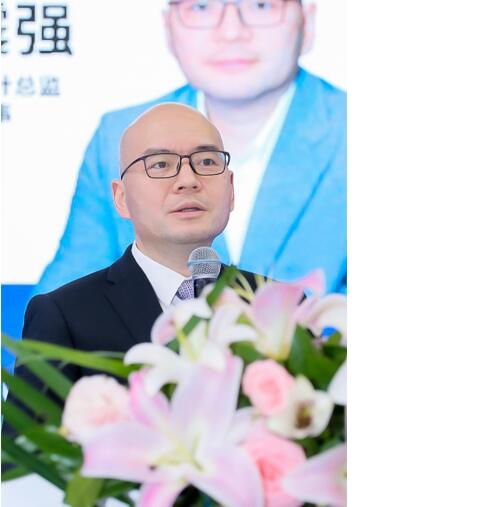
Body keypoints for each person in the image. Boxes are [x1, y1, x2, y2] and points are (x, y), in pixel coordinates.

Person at [33, 0, 346, 299]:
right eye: (201, 6)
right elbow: (57, 311)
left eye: (261, 5)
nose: (231, 32)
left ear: (308, 21)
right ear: (168, 27)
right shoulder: (118, 135)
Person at [20, 103, 246, 382]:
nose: (188, 180)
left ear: (231, 188)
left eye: (207, 162)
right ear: (121, 198)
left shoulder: (277, 306)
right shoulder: (63, 316)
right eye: (160, 164)